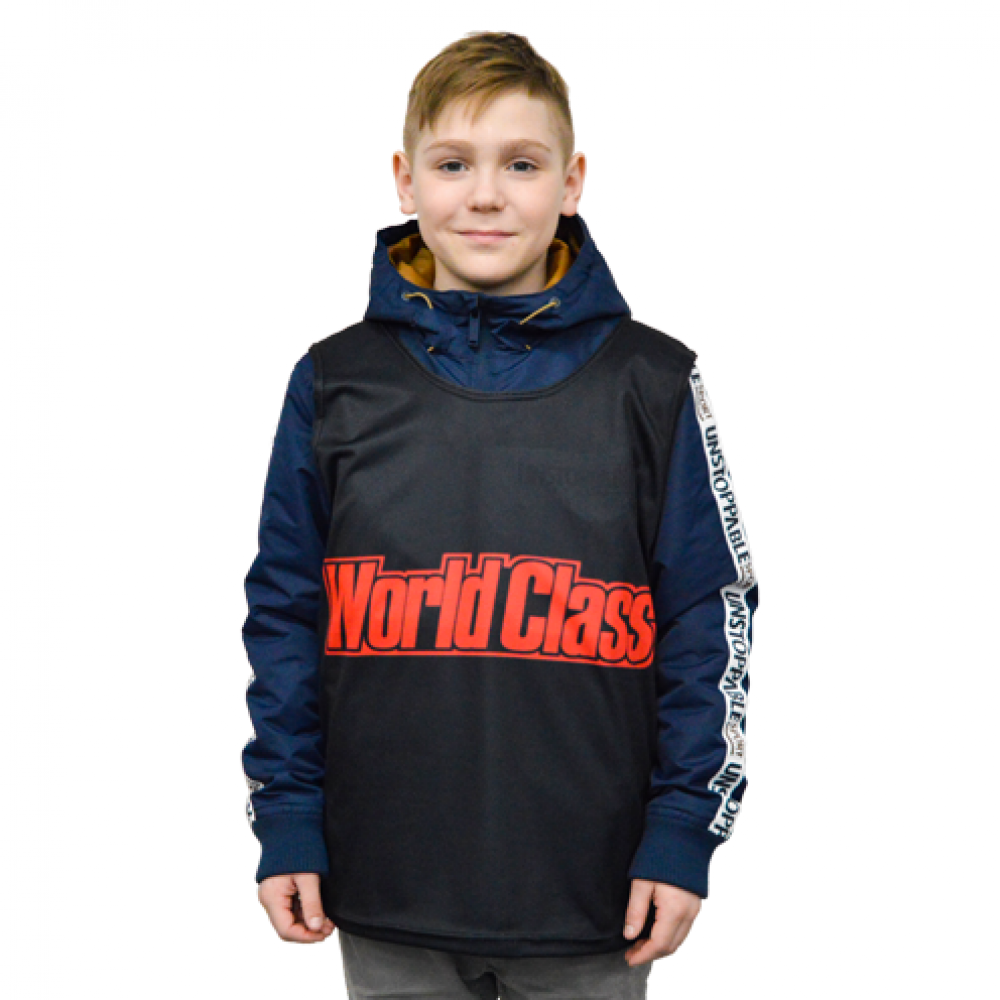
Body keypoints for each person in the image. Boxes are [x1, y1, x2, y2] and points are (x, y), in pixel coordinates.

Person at [242, 30, 758, 999]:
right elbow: (283, 613)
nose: (485, 195)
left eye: (521, 164)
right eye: (453, 164)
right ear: (405, 180)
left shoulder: (653, 381)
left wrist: (683, 827)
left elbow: (709, 612)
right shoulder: (334, 382)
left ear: (572, 182)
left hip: (595, 895)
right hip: (384, 878)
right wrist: (288, 816)